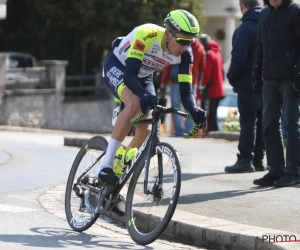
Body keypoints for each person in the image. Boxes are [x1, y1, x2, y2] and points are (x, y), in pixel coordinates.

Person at [97, 9, 206, 184]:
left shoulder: (186, 54)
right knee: (134, 103)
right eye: (182, 41)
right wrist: (143, 94)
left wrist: (194, 109)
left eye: (190, 42)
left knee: (147, 128)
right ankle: (105, 166)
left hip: (143, 75)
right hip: (119, 67)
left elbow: (186, 92)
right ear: (168, 33)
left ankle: (117, 175)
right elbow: (130, 75)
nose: (185, 47)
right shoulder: (147, 34)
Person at [252, 0, 300, 187]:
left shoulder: (296, 12)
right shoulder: (264, 14)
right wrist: (256, 74)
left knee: (291, 124)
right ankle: (275, 169)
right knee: (269, 124)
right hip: (269, 79)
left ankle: (294, 170)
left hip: (290, 79)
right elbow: (260, 47)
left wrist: (298, 76)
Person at [224, 0, 265, 173]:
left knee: (248, 123)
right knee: (263, 123)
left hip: (247, 84)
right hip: (268, 82)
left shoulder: (244, 29)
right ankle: (258, 160)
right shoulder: (269, 24)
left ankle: (245, 160)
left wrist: (232, 77)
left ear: (242, 7)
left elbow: (238, 59)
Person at [160, 39, 205, 136]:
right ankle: (188, 131)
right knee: (191, 106)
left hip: (176, 80)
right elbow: (202, 67)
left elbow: (169, 64)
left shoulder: (180, 44)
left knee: (175, 106)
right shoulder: (200, 48)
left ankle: (179, 131)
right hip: (193, 80)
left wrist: (163, 80)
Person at [198, 34, 225, 133]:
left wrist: (202, 86)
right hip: (218, 89)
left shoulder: (209, 54)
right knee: (213, 113)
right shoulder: (217, 53)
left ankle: (209, 132)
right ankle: (214, 132)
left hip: (211, 90)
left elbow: (206, 73)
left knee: (208, 112)